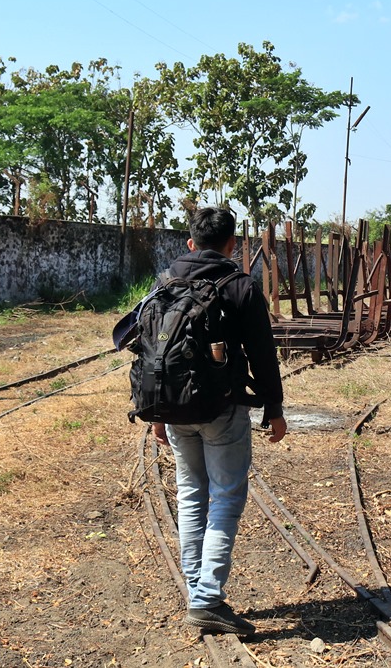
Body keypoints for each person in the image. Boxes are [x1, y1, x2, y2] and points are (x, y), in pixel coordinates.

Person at [152, 206, 287, 636]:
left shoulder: (165, 282)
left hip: (173, 406)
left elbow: (149, 353)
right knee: (226, 497)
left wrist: (155, 413)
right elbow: (264, 355)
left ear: (191, 243)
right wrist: (274, 409)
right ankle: (207, 598)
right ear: (233, 246)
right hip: (223, 409)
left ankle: (198, 590)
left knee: (191, 495)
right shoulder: (241, 286)